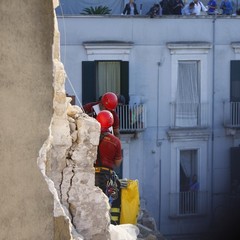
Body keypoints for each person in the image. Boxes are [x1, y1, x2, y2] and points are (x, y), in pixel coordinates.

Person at [95, 110, 123, 224]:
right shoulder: (115, 141)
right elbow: (117, 163)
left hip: (90, 174)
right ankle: (113, 224)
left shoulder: (90, 136)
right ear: (111, 123)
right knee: (115, 196)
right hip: (106, 175)